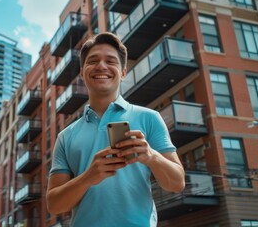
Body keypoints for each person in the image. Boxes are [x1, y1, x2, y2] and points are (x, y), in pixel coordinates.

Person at [46, 32, 185, 226]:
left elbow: (177, 183)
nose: (101, 66)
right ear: (82, 71)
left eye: (110, 61)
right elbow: (54, 205)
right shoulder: (65, 136)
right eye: (93, 61)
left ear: (123, 72)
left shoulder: (149, 118)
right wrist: (88, 177)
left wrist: (151, 156)